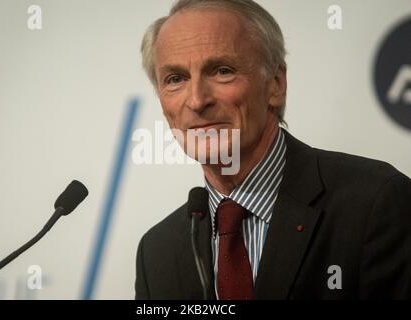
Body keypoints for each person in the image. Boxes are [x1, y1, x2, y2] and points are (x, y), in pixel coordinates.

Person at [135, 0, 411, 300]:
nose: (198, 100)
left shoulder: (374, 202)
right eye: (175, 79)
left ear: (276, 84)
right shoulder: (156, 253)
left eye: (222, 71)